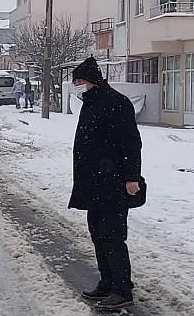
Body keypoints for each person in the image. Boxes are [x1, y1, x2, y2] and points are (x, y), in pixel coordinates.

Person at [68, 56, 143, 310]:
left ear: (91, 80)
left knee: (112, 237)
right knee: (98, 234)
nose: (77, 86)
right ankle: (107, 282)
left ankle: (122, 290)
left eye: (79, 81)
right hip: (94, 185)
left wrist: (132, 177)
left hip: (114, 184)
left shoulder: (116, 103)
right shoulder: (91, 103)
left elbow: (131, 142)